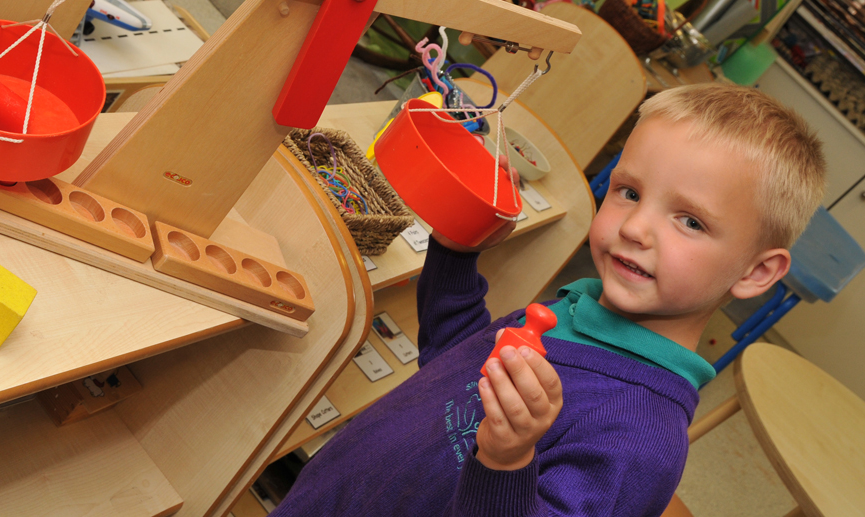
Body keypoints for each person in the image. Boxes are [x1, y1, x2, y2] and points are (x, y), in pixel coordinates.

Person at [271, 83, 826, 516]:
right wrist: (457, 252)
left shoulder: (640, 440)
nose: (635, 227)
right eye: (629, 192)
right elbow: (452, 366)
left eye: (690, 221)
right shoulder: (576, 312)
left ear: (756, 273)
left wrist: (508, 461)